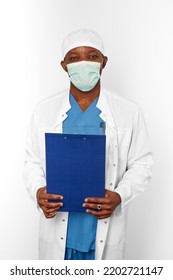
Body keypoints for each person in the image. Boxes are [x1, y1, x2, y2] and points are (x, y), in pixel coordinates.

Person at [23, 29, 153, 260]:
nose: (83, 64)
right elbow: (31, 161)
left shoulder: (128, 111)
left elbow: (141, 164)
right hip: (57, 229)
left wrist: (120, 195)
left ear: (104, 61)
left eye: (92, 56)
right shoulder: (44, 110)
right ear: (64, 65)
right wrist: (38, 192)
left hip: (104, 229)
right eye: (74, 58)